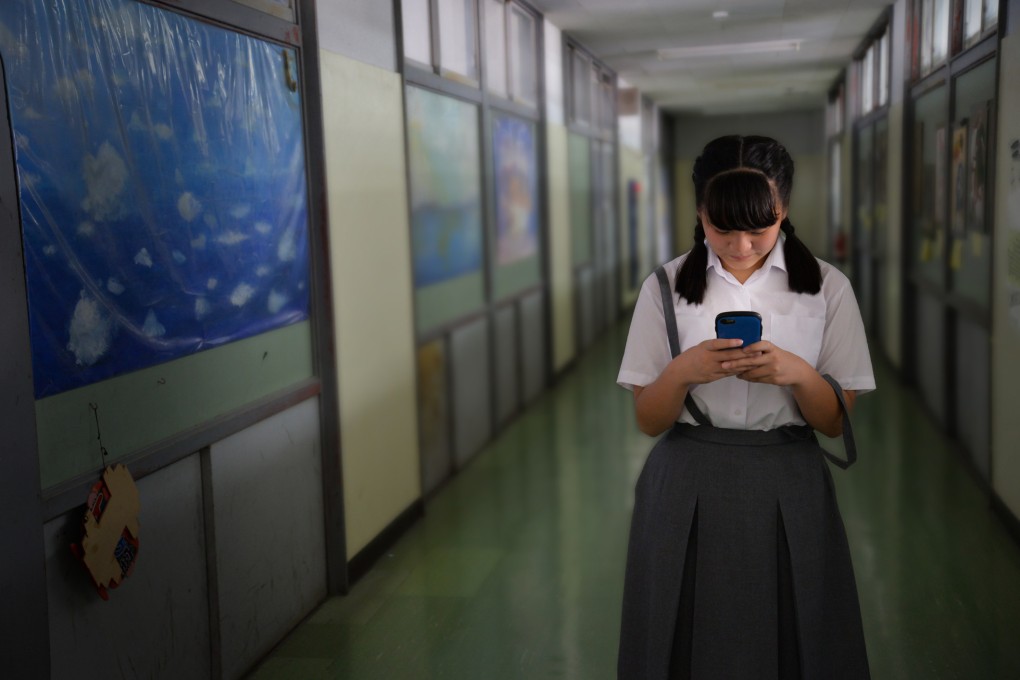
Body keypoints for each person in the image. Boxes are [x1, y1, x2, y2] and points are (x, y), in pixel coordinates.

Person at [616, 135, 874, 680]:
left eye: (759, 228)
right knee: (679, 633)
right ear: (700, 212)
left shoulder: (827, 288)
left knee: (798, 633)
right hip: (686, 479)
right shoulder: (664, 287)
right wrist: (684, 372)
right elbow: (648, 420)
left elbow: (832, 423)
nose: (740, 246)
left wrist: (798, 375)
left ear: (784, 209)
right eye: (722, 227)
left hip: (789, 476)